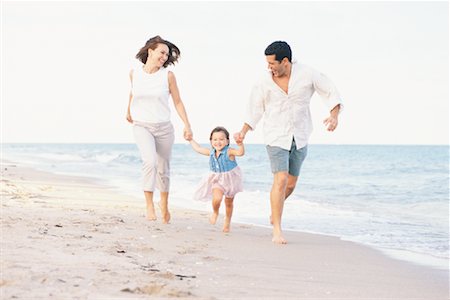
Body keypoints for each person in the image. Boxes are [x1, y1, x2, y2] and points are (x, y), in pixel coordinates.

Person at [234, 41, 343, 244]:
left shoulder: (307, 74)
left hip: (300, 135)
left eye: (272, 63)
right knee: (281, 179)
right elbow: (254, 109)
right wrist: (243, 131)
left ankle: (275, 209)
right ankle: (277, 229)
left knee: (291, 184)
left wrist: (334, 116)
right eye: (267, 63)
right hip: (275, 135)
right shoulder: (263, 82)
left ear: (285, 61)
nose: (269, 68)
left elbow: (330, 91)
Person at [126, 35, 192, 224]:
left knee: (163, 168)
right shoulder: (134, 73)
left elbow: (178, 101)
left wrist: (187, 125)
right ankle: (149, 205)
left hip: (164, 128)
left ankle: (164, 204)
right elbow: (133, 91)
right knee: (150, 162)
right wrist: (128, 109)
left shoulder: (168, 75)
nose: (164, 57)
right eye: (162, 53)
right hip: (141, 125)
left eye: (167, 55)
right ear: (151, 51)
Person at [188, 126, 245, 233]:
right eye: (215, 139)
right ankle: (215, 212)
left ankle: (227, 221)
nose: (218, 142)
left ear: (227, 141)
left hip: (231, 181)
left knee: (229, 203)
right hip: (217, 179)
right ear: (211, 141)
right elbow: (198, 148)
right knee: (217, 198)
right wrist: (191, 140)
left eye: (221, 139)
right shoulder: (210, 152)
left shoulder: (229, 151)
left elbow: (241, 153)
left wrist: (240, 144)